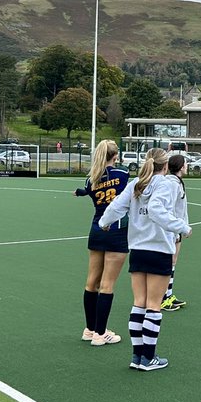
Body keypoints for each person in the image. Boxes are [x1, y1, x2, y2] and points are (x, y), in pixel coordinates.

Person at [98, 148, 192, 371]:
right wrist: (183, 227)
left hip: (138, 249)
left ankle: (137, 356)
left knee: (139, 303)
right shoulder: (164, 184)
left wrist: (104, 222)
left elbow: (115, 207)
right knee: (153, 306)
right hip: (158, 249)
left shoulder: (136, 183)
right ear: (166, 166)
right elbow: (156, 210)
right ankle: (148, 358)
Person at [73, 140, 128, 346]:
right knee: (107, 284)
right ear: (115, 156)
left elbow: (88, 190)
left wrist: (80, 192)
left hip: (96, 230)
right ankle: (101, 333)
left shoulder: (92, 179)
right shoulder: (122, 175)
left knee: (91, 282)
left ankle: (90, 329)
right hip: (115, 230)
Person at [161, 153, 189, 311]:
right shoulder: (172, 184)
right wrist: (175, 229)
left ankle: (168, 294)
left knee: (172, 263)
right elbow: (169, 209)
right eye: (185, 163)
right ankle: (163, 297)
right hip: (171, 231)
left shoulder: (177, 182)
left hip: (177, 230)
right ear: (180, 166)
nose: (187, 166)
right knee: (168, 263)